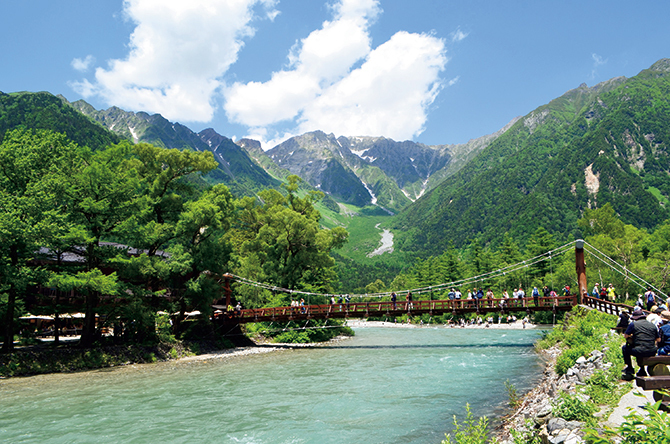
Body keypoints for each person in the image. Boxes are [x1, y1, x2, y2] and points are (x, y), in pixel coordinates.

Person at [621, 307, 660, 379]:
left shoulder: (633, 324)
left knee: (625, 348)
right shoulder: (652, 325)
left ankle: (630, 368)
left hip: (640, 350)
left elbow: (626, 336)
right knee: (640, 347)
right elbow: (658, 339)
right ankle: (642, 370)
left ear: (635, 318)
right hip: (652, 351)